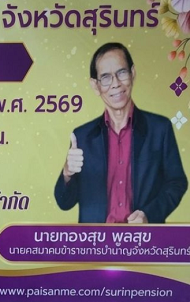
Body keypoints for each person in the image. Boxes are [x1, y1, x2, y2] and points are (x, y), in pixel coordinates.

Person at [55, 42, 188, 223]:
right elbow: (64, 203)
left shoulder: (160, 129)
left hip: (143, 237)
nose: (116, 84)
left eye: (122, 72)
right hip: (96, 239)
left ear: (133, 73)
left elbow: (176, 183)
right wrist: (67, 173)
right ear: (95, 86)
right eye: (106, 77)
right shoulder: (82, 137)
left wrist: (149, 215)